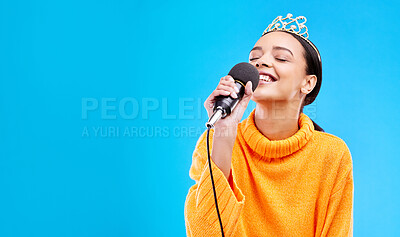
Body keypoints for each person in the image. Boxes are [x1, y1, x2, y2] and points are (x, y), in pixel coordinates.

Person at [184, 14, 353, 237]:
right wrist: (224, 134)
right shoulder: (213, 142)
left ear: (308, 83)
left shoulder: (332, 154)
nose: (260, 62)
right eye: (254, 58)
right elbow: (204, 233)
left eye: (281, 58)